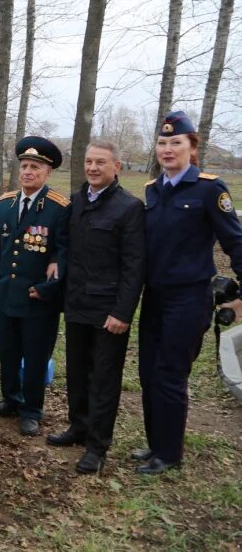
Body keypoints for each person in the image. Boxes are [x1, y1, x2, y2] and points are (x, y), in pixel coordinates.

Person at [135, 111, 242, 475]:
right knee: (148, 371)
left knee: (169, 373)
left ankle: (169, 453)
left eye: (175, 143)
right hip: (154, 296)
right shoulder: (153, 189)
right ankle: (154, 443)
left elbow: (235, 243)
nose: (167, 149)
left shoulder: (210, 189)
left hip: (188, 298)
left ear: (191, 147)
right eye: (162, 143)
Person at [46, 140, 145, 474]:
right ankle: (78, 427)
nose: (92, 168)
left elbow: (134, 266)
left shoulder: (129, 208)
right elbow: (63, 246)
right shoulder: (76, 202)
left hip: (108, 310)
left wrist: (122, 313)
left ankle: (97, 446)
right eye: (88, 161)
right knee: (76, 372)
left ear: (116, 166)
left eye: (100, 162)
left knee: (104, 378)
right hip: (76, 304)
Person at [0, 136, 69, 437]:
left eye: (35, 167)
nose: (28, 172)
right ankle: (11, 399)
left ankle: (32, 410)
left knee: (35, 356)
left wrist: (48, 289)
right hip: (7, 294)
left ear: (47, 173)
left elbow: (64, 252)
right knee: (7, 351)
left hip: (38, 300)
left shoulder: (59, 208)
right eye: (24, 166)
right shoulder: (6, 204)